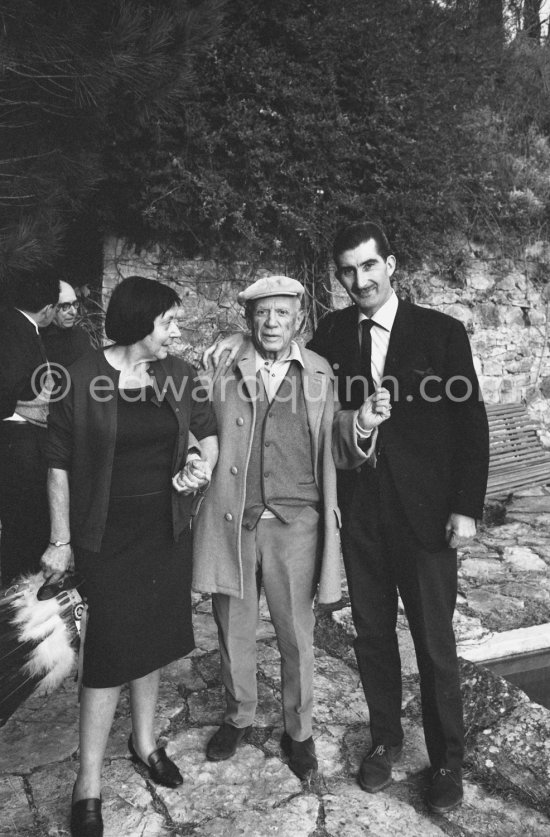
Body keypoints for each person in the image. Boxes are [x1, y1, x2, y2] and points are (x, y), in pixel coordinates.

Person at [203, 222, 490, 814]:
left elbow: (472, 426)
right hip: (359, 517)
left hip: (427, 515)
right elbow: (279, 344)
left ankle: (446, 761)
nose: (359, 280)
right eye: (347, 272)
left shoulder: (441, 332)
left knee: (434, 644)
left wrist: (465, 507)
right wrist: (238, 334)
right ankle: (384, 740)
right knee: (374, 636)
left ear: (392, 264)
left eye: (368, 267)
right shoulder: (334, 332)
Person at [193, 274, 389, 782]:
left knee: (296, 635)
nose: (272, 322)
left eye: (282, 313)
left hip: (297, 522)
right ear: (249, 320)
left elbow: (337, 441)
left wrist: (362, 422)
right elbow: (195, 421)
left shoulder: (319, 371)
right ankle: (239, 715)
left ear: (299, 318)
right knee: (233, 628)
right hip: (235, 517)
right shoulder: (222, 364)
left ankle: (298, 731)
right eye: (262, 314)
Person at [41, 276, 218, 837]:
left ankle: (144, 745)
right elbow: (59, 463)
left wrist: (201, 466)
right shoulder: (84, 378)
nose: (177, 331)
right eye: (170, 321)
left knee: (154, 640)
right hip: (107, 536)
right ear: (142, 321)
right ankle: (86, 782)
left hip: (165, 531)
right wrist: (61, 539)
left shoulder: (179, 374)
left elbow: (209, 433)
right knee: (109, 654)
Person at [0, 268, 60, 585]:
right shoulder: (17, 330)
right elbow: (9, 382)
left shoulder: (13, 323)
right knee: (21, 530)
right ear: (48, 308)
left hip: (18, 439)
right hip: (15, 441)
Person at [41, 280, 92, 368]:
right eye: (65, 306)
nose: (73, 312)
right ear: (51, 307)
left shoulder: (81, 335)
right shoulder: (38, 338)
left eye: (75, 304)